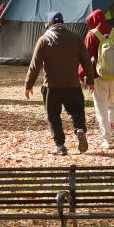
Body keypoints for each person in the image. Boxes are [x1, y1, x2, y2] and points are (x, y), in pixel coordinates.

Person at [24, 11, 95, 156]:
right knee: (77, 111)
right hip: (73, 85)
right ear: (63, 22)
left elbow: (35, 65)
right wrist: (90, 80)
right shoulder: (75, 38)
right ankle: (80, 128)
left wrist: (29, 85)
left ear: (50, 24)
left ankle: (60, 146)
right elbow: (86, 61)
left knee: (53, 116)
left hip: (52, 87)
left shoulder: (44, 40)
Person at [80, 9, 114, 149]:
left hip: (99, 78)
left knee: (101, 109)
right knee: (112, 106)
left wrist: (82, 77)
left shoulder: (92, 35)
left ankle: (107, 140)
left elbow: (85, 59)